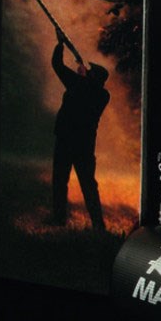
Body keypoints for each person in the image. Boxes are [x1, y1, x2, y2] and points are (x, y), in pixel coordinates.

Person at [50, 37, 110, 231]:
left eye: (90, 72)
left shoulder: (79, 84)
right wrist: (83, 76)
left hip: (66, 140)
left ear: (94, 79)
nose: (87, 71)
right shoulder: (103, 95)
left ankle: (59, 219)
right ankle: (98, 224)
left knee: (60, 180)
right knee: (88, 185)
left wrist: (60, 45)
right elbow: (84, 85)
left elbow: (57, 65)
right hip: (84, 144)